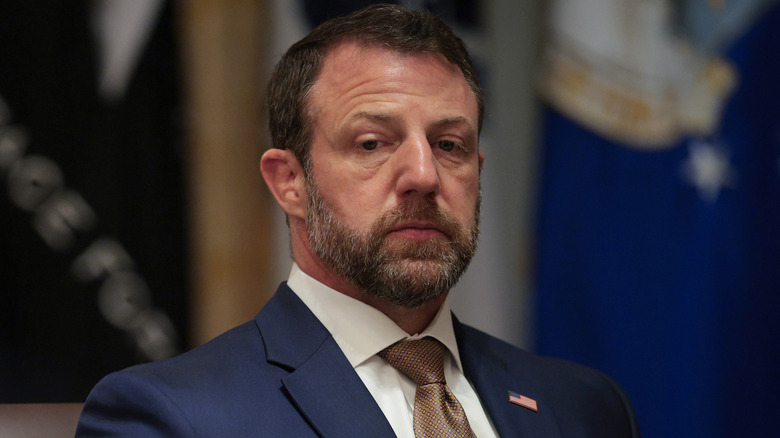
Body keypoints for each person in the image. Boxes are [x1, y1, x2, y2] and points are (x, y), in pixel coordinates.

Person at [76, 4, 641, 437]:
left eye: (449, 144)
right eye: (372, 143)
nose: (424, 174)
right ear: (288, 182)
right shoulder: (173, 417)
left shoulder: (584, 407)